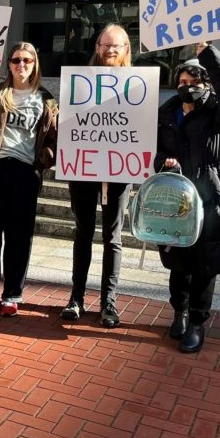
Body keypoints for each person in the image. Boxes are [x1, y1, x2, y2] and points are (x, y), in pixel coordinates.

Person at [155, 43, 220, 353]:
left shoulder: (219, 112)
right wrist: (164, 162)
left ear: (207, 82)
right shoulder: (167, 113)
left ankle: (197, 323)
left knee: (204, 263)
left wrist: (209, 55)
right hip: (178, 199)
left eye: (194, 81)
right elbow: (158, 151)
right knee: (178, 260)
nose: (187, 87)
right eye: (182, 82)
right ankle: (180, 312)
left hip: (213, 197)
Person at [0, 42, 58, 316]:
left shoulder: (46, 100)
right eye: (16, 60)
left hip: (24, 173)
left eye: (27, 60)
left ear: (35, 64)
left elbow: (53, 139)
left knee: (19, 237)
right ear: (8, 64)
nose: (21, 65)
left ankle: (12, 294)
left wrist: (43, 161)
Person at [62, 24, 133, 328]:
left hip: (119, 170)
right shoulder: (80, 83)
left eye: (116, 46)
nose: (110, 50)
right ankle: (76, 298)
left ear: (126, 49)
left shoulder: (137, 86)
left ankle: (108, 303)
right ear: (97, 47)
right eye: (105, 45)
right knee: (83, 232)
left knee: (112, 237)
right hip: (84, 168)